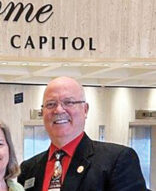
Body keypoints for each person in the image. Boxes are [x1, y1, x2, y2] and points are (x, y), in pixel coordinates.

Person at [18, 76, 147, 191]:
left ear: (85, 110)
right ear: (43, 112)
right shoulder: (28, 169)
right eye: (51, 104)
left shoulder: (117, 160)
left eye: (68, 102)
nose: (58, 110)